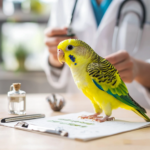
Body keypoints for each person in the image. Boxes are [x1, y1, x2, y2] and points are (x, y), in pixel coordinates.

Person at [43, 0, 150, 108]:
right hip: (77, 108)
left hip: (138, 110)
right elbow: (53, 67)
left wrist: (141, 70)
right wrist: (55, 57)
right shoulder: (63, 2)